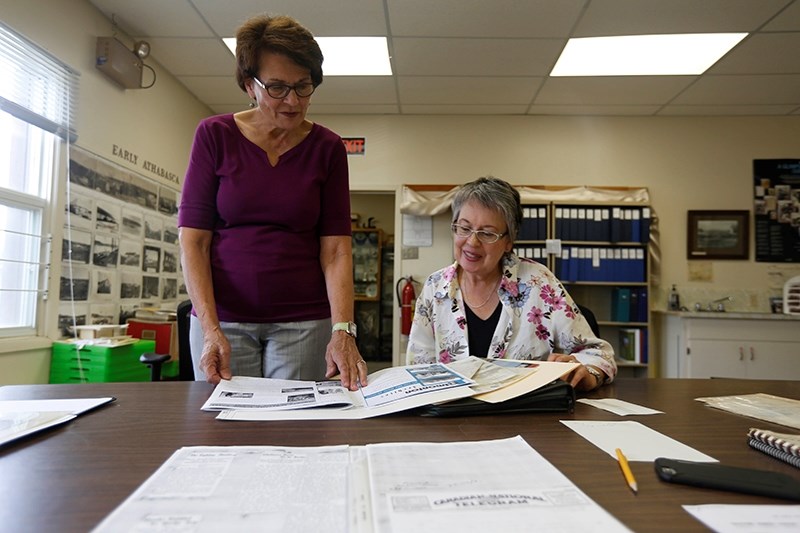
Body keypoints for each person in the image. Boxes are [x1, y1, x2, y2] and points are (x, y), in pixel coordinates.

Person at [178, 14, 366, 390]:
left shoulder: (327, 147)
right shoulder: (215, 135)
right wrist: (210, 328)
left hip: (303, 321)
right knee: (225, 431)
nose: (293, 101)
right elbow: (194, 241)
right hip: (224, 320)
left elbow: (336, 251)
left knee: (296, 433)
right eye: (277, 87)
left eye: (303, 86)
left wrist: (343, 330)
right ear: (250, 84)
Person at [407, 177, 616, 390]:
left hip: (525, 416)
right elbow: (418, 368)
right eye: (464, 228)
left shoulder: (539, 282)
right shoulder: (435, 287)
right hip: (451, 417)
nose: (472, 241)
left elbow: (599, 355)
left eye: (487, 233)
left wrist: (587, 373)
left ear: (508, 241)